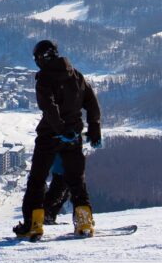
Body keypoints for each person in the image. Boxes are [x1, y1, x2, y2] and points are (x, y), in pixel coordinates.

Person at [17, 39, 101, 240]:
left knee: (37, 180)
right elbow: (91, 101)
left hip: (50, 135)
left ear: (41, 58)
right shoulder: (75, 75)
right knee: (76, 180)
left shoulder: (45, 78)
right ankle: (84, 222)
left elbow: (48, 106)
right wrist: (94, 128)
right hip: (73, 135)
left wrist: (59, 128)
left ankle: (33, 224)